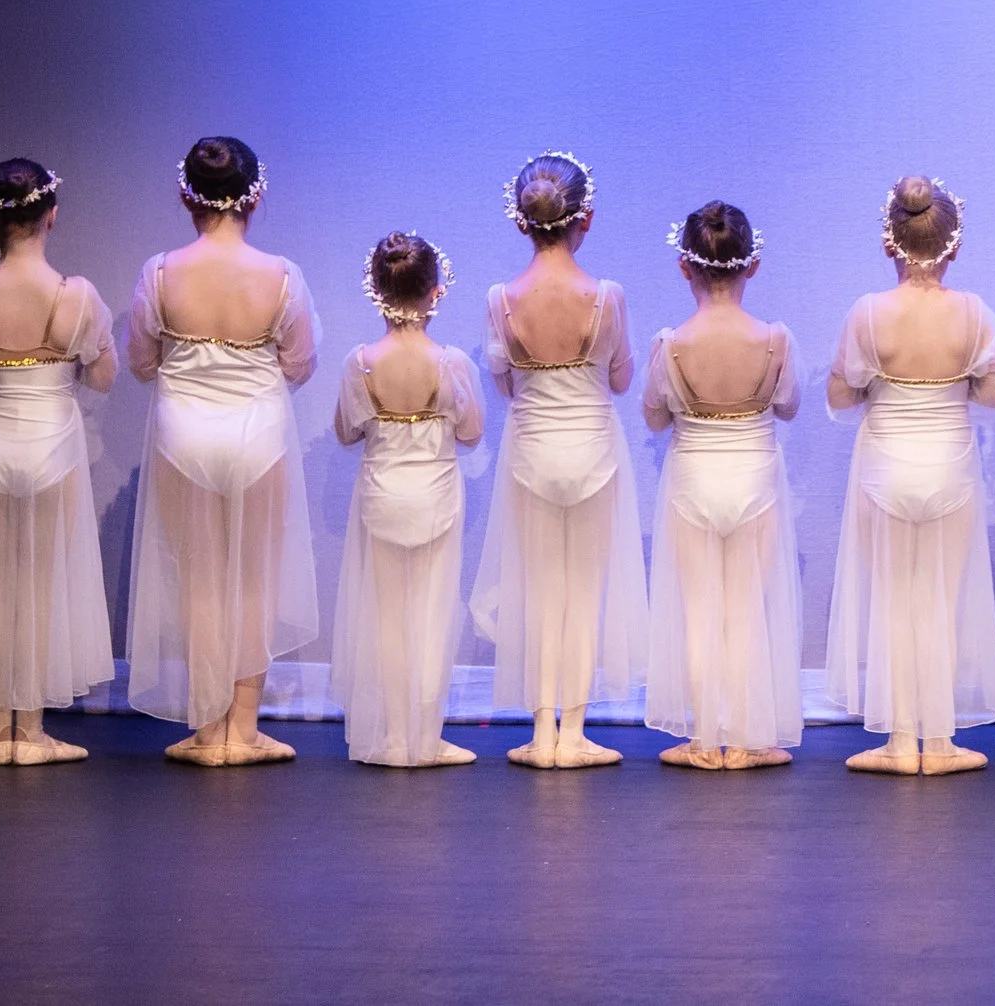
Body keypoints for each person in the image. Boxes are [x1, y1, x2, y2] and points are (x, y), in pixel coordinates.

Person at [125, 136, 320, 766]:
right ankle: (243, 727)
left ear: (187, 194)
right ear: (255, 195)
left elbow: (140, 361)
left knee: (199, 585)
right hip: (258, 433)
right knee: (254, 583)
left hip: (183, 434)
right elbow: (301, 364)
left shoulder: (159, 271)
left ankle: (208, 732)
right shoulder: (282, 275)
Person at [0, 160, 116, 763]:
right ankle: (31, 733)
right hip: (52, 443)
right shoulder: (76, 295)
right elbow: (104, 378)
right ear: (50, 216)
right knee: (39, 586)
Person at [826, 175, 995, 774]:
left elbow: (842, 395)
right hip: (949, 465)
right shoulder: (975, 313)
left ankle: (900, 740)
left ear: (890, 244)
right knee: (942, 599)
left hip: (886, 466)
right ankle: (942, 740)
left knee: (894, 600)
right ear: (953, 245)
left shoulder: (869, 313)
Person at [471, 151, 645, 769]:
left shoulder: (501, 299)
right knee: (582, 590)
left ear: (522, 221)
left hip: (532, 450)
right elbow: (622, 381)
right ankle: (573, 732)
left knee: (541, 589)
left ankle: (541, 731)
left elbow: (505, 384)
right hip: (593, 448)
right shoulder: (605, 296)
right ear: (585, 220)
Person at [642, 202, 804, 771]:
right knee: (745, 608)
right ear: (751, 265)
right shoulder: (774, 339)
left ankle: (705, 739)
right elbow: (787, 407)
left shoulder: (671, 344)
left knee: (700, 610)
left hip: (693, 477)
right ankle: (747, 737)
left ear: (685, 268)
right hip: (754, 475)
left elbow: (655, 419)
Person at [328, 233, 484, 767]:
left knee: (389, 619)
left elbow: (346, 432)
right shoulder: (451, 362)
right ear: (436, 293)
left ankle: (395, 736)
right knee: (433, 614)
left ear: (376, 290)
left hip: (382, 496)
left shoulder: (361, 362)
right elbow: (472, 434)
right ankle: (426, 735)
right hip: (436, 496)